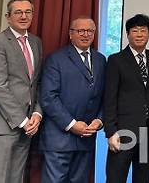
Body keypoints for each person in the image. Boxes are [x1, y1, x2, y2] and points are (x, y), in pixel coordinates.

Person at [0, 0, 43, 183]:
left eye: (28, 12)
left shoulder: (36, 42)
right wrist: (22, 121)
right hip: (3, 125)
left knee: (16, 178)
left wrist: (37, 115)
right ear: (8, 17)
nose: (24, 16)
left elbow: (37, 83)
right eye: (18, 12)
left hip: (29, 125)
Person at [39, 16, 106, 182]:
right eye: (80, 31)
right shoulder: (56, 59)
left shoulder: (100, 59)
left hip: (87, 139)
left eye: (90, 31)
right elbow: (48, 97)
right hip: (59, 138)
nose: (85, 34)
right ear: (71, 34)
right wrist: (72, 124)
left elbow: (105, 95)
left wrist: (99, 120)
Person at [104, 14, 149, 183]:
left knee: (143, 179)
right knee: (116, 178)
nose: (139, 34)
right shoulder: (116, 60)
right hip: (123, 132)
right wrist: (110, 132)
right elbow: (109, 98)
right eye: (135, 31)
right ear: (127, 34)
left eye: (143, 31)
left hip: (148, 133)